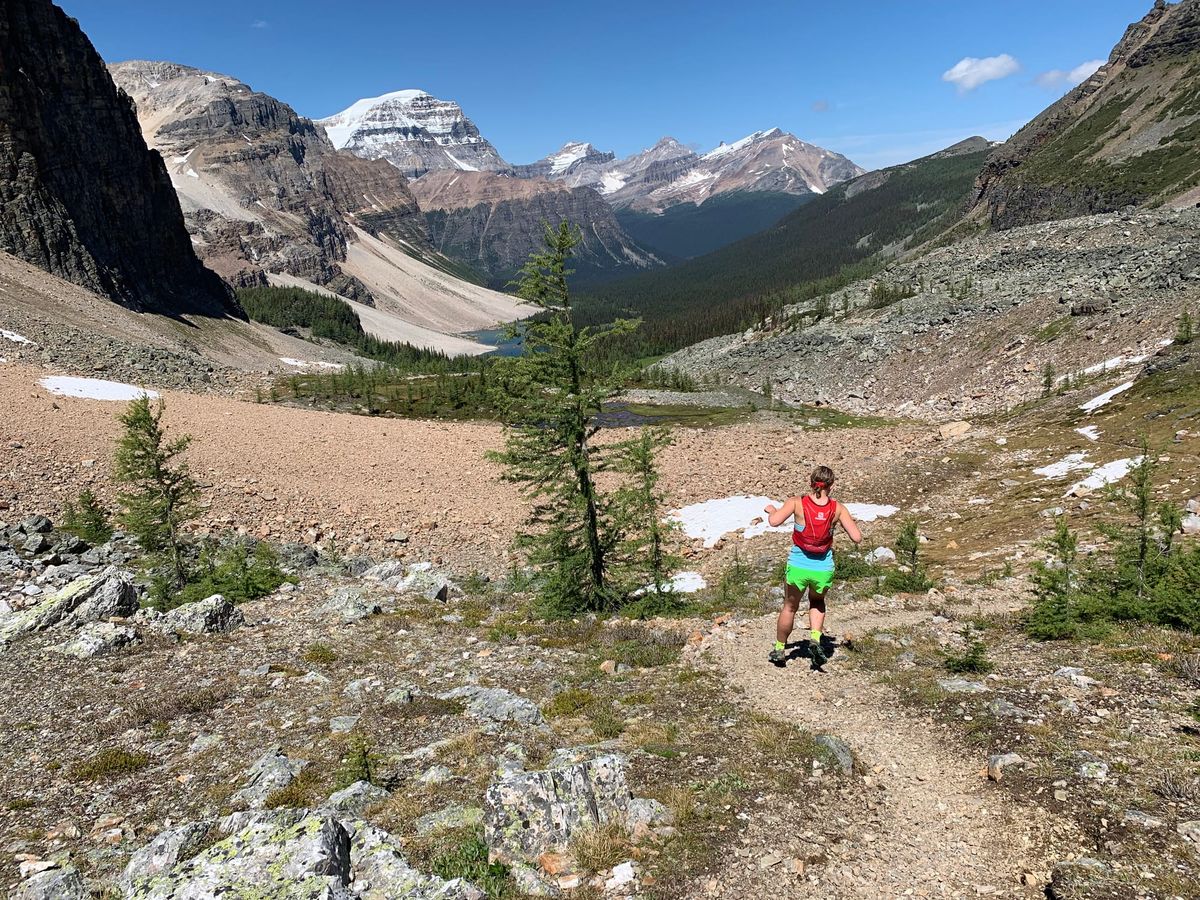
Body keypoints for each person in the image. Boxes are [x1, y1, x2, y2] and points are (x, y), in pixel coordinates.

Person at [763, 465, 862, 669]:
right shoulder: (838, 508)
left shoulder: (796, 503)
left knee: (790, 607)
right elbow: (857, 537)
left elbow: (774, 522)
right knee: (817, 602)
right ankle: (815, 640)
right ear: (831, 485)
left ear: (811, 483)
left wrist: (772, 510)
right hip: (823, 566)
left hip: (799, 564)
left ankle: (780, 649)